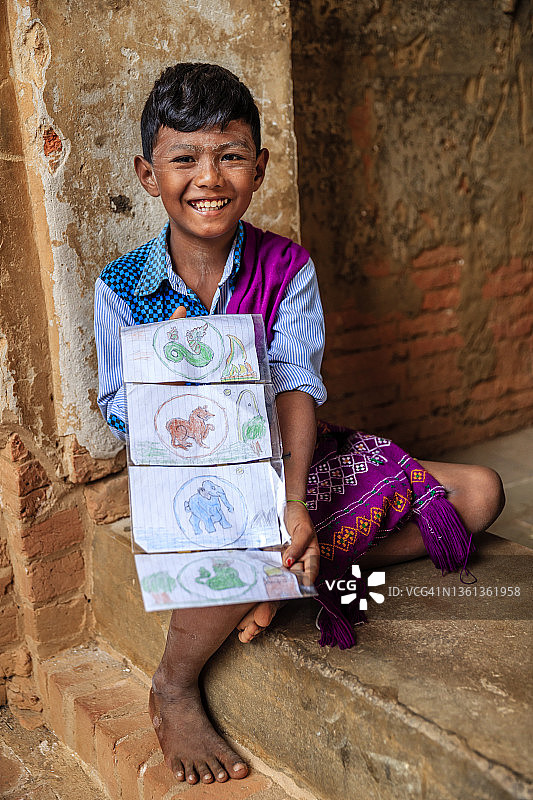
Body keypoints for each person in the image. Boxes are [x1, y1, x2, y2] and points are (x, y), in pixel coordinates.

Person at [94, 62, 505, 786]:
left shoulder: (286, 266)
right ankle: (175, 684)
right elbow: (118, 406)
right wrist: (182, 385)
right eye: (183, 158)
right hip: (194, 478)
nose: (207, 177)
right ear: (147, 172)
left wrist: (290, 504)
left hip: (292, 457)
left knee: (475, 495)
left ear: (258, 166)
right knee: (235, 532)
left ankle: (292, 572)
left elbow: (293, 387)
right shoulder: (123, 286)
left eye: (228, 155)